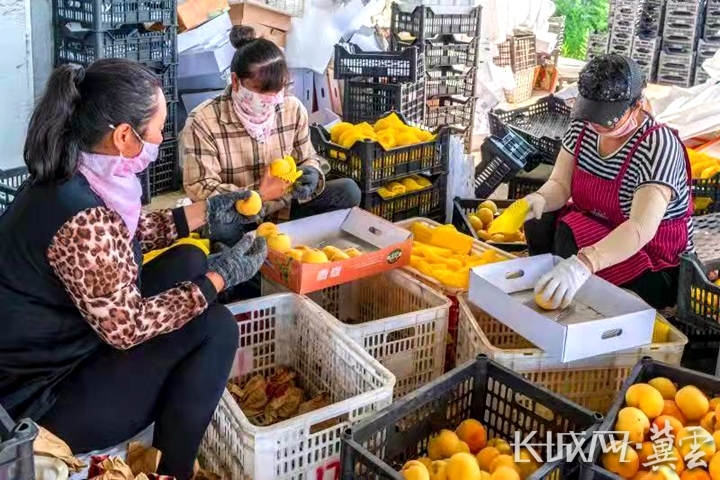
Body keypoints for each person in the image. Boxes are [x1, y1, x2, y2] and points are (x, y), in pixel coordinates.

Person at [0, 59, 268, 480]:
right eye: (158, 129)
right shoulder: (84, 219)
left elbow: (121, 236)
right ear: (124, 135)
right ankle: (173, 471)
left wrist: (205, 214)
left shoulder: (71, 171)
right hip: (42, 402)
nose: (161, 138)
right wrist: (219, 279)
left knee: (190, 259)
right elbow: (126, 327)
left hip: (54, 352)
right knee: (216, 328)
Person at [523, 54, 693, 311]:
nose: (596, 125)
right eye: (591, 114)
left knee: (577, 256)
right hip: (600, 228)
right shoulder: (583, 128)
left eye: (606, 118)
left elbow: (639, 228)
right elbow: (559, 184)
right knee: (540, 219)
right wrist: (541, 198)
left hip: (651, 254)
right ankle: (556, 291)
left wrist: (584, 264)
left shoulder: (658, 146)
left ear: (636, 107)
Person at [182, 26, 361, 245]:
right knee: (216, 225)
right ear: (236, 81)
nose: (271, 101)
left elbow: (307, 157)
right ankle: (249, 262)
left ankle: (285, 245)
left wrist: (312, 172)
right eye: (261, 92)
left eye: (278, 92)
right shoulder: (203, 120)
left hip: (284, 209)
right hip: (238, 218)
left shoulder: (291, 108)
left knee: (348, 191)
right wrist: (258, 195)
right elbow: (201, 189)